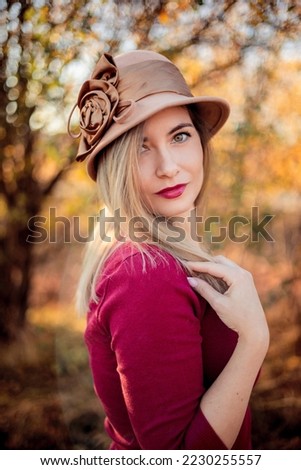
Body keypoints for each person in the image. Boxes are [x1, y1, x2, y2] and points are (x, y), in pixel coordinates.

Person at [68, 50, 269, 450]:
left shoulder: (163, 254)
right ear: (115, 166)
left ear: (200, 142)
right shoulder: (144, 272)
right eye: (141, 147)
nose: (168, 166)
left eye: (180, 136)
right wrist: (254, 340)